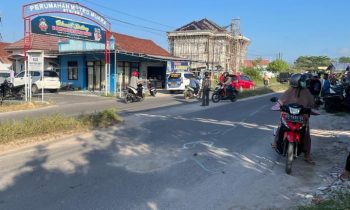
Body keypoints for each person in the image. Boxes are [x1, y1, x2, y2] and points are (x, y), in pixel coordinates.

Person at [271, 73, 316, 164]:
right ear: (298, 82)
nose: (304, 82)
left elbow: (312, 103)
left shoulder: (306, 91)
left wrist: (313, 108)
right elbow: (281, 101)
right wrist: (278, 106)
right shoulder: (290, 90)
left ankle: (307, 155)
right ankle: (276, 143)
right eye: (303, 81)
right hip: (289, 114)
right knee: (280, 126)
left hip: (301, 115)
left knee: (306, 133)